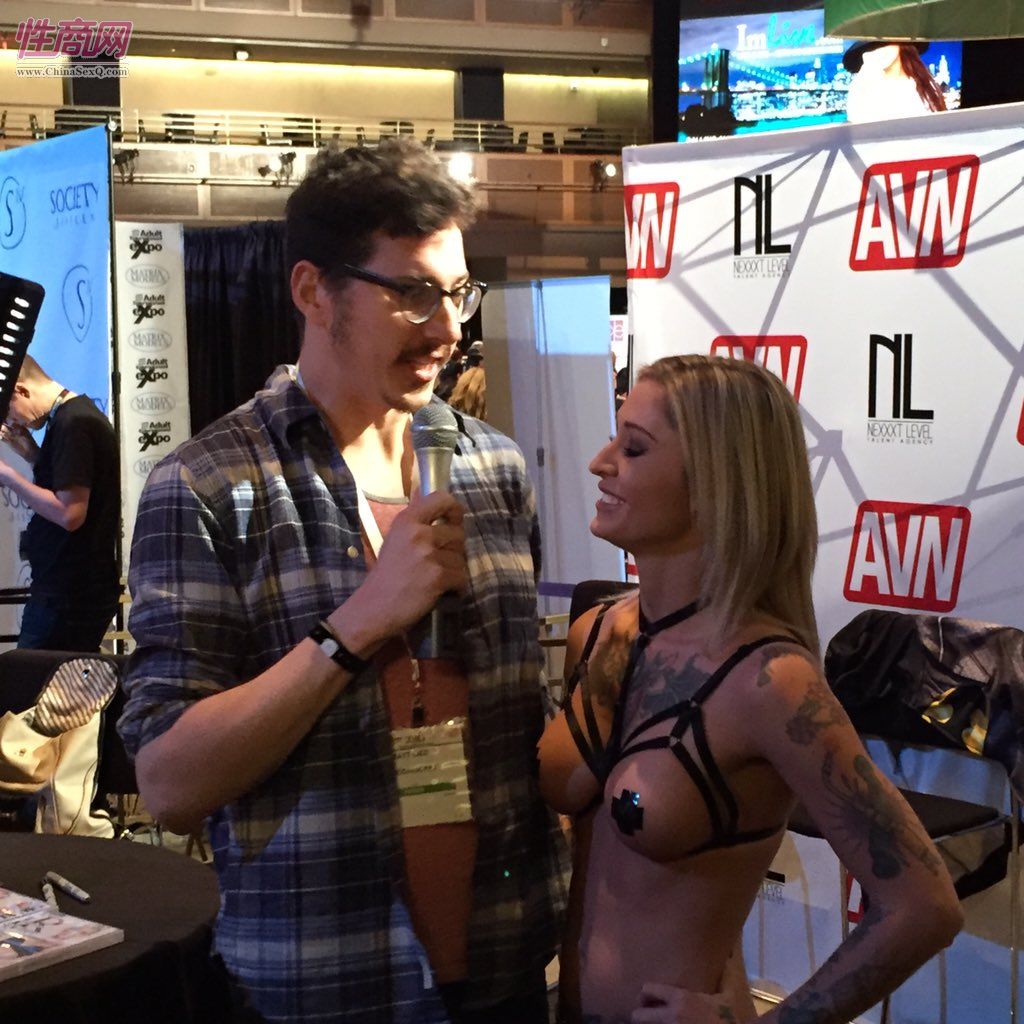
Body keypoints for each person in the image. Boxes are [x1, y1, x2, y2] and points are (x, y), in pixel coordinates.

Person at [118, 138, 566, 1024]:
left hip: (506, 960)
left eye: (458, 292)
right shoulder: (207, 485)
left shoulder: (493, 469)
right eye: (412, 293)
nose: (447, 328)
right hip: (321, 974)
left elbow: (521, 726)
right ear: (313, 291)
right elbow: (168, 783)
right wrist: (355, 626)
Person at [538, 355, 962, 1023]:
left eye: (634, 448)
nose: (599, 462)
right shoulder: (597, 632)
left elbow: (924, 905)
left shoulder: (769, 681)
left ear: (714, 482)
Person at [0, 354, 119, 651]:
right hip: (69, 590)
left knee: (30, 677)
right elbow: (70, 485)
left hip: (67, 594)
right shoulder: (75, 417)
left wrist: (8, 475)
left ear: (20, 390)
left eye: (8, 411)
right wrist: (32, 454)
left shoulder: (73, 423)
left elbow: (70, 514)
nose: (12, 421)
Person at [844, 41, 946, 124]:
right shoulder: (863, 87)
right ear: (864, 55)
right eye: (871, 48)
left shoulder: (925, 84)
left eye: (883, 43)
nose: (878, 50)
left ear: (899, 43)